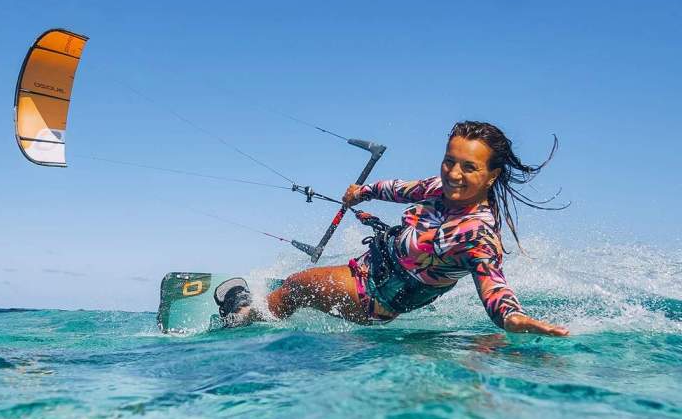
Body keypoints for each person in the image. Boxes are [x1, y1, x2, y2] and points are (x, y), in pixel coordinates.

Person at [215, 121, 569, 337]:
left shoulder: (476, 234)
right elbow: (401, 189)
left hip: (372, 296)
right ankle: (276, 309)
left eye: (469, 167)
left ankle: (246, 317)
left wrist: (512, 317)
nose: (454, 174)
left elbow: (493, 283)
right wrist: (363, 192)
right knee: (306, 286)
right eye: (449, 161)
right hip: (373, 272)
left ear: (492, 175)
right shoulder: (441, 188)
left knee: (294, 286)